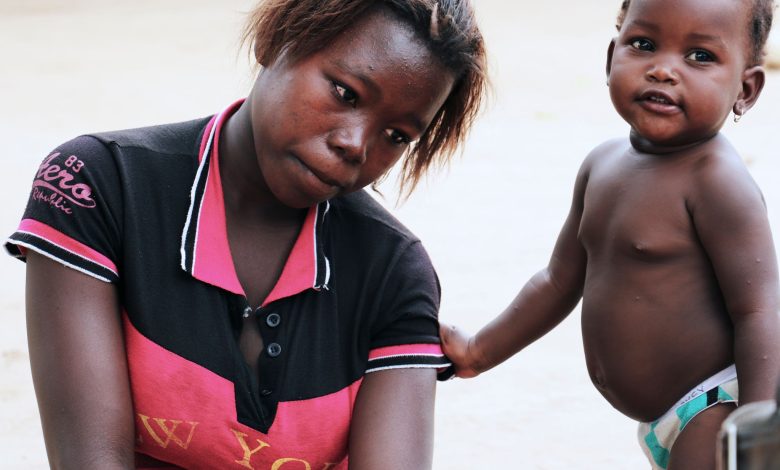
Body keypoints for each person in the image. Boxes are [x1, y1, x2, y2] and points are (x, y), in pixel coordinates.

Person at [5, 1, 487, 468]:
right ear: (274, 41)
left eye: (397, 135)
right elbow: (88, 459)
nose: (356, 144)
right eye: (345, 93)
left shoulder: (393, 271)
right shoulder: (101, 184)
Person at [440, 0, 779, 468]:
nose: (663, 70)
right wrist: (479, 351)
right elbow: (559, 280)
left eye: (700, 56)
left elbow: (760, 310)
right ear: (609, 59)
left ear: (745, 89)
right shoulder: (601, 165)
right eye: (643, 44)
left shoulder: (718, 182)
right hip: (664, 414)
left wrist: (759, 426)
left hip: (715, 405)